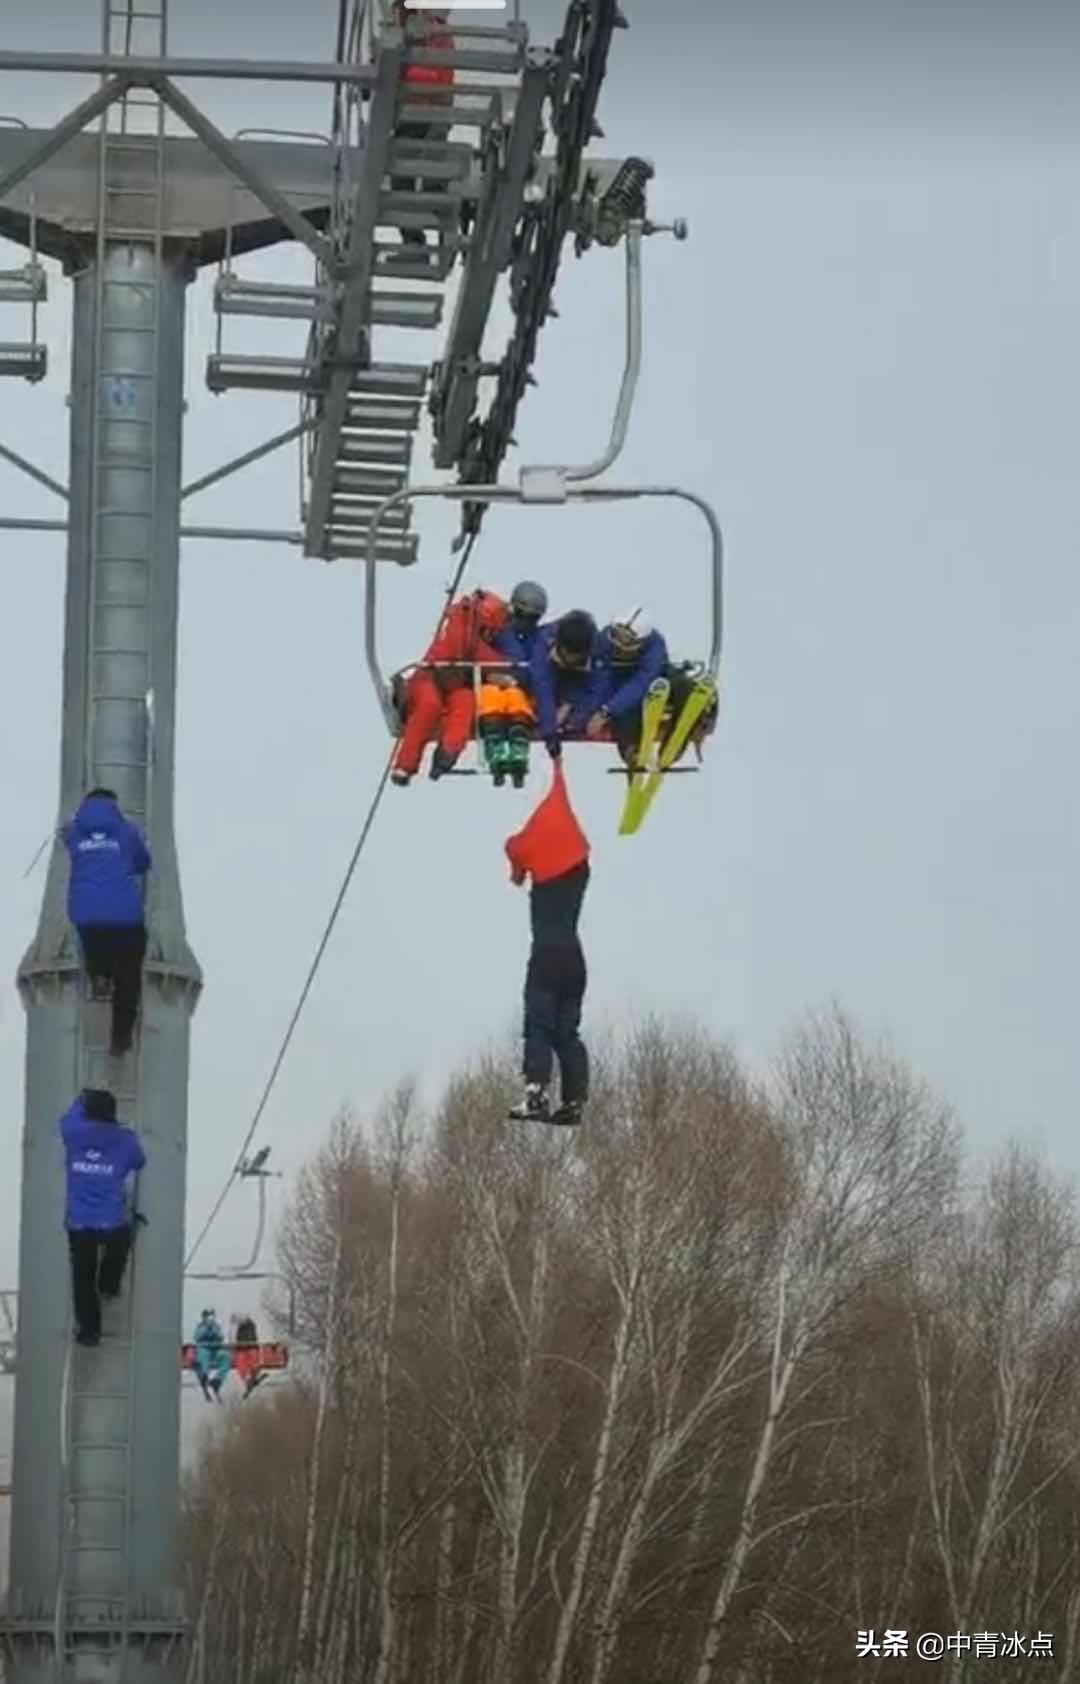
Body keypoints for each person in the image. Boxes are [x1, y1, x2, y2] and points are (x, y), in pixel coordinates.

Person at [505, 764, 591, 1126]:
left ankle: (536, 1094)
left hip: (546, 958)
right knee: (567, 1033)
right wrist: (555, 759)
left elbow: (514, 845)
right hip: (575, 963)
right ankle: (573, 1103)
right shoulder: (579, 871)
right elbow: (558, 792)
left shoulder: (543, 875)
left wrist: (517, 870)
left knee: (538, 1027)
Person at [63, 787, 151, 1057]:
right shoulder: (127, 831)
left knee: (91, 934)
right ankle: (120, 1038)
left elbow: (66, 840)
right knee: (129, 975)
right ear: (114, 806)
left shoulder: (73, 831)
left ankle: (99, 974)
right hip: (124, 915)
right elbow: (143, 863)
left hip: (85, 911)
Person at [392, 588, 508, 784]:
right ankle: (405, 765)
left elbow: (479, 655)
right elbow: (470, 650)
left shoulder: (470, 633)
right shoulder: (461, 625)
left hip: (458, 681)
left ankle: (445, 756)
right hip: (430, 677)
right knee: (429, 706)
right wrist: (505, 667)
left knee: (465, 707)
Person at [61, 1088, 145, 1347]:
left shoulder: (73, 1132)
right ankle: (109, 1285)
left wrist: (81, 1099)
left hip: (80, 1222)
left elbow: (67, 1117)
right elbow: (139, 1161)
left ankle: (89, 1332)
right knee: (124, 1239)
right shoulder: (126, 1140)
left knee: (82, 1277)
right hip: (111, 1221)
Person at [389, 1, 454, 255]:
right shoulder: (415, 32)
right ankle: (414, 242)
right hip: (415, 113)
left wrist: (400, 72)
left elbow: (436, 75)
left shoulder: (435, 33)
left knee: (427, 181)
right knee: (403, 181)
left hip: (426, 113)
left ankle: (440, 238)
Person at [586, 608, 670, 763]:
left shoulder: (655, 646)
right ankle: (630, 751)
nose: (618, 645)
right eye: (617, 636)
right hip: (617, 685)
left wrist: (606, 711)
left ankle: (672, 745)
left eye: (626, 641)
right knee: (622, 711)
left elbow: (643, 681)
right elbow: (600, 680)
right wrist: (594, 711)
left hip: (645, 686)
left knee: (633, 703)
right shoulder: (603, 640)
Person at [528, 610, 601, 760]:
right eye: (566, 655)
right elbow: (543, 688)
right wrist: (550, 733)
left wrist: (575, 720)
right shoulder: (543, 643)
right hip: (552, 678)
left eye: (574, 658)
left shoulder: (599, 649)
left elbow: (596, 690)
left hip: (578, 683)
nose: (570, 660)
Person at [192, 1309, 231, 1403]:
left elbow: (220, 1337)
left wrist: (213, 1329)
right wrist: (206, 1328)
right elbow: (197, 1337)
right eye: (208, 1316)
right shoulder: (200, 1326)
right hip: (204, 1348)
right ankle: (204, 1375)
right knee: (204, 1356)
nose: (210, 1318)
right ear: (204, 1317)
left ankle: (217, 1380)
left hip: (215, 1350)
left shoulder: (216, 1326)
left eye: (211, 1316)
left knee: (226, 1356)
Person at [231, 1312, 264, 1399]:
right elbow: (234, 1339)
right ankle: (247, 1379)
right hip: (241, 1350)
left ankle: (253, 1374)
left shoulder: (250, 1325)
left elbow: (251, 1337)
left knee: (253, 1358)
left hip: (251, 1347)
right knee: (241, 1363)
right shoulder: (238, 1328)